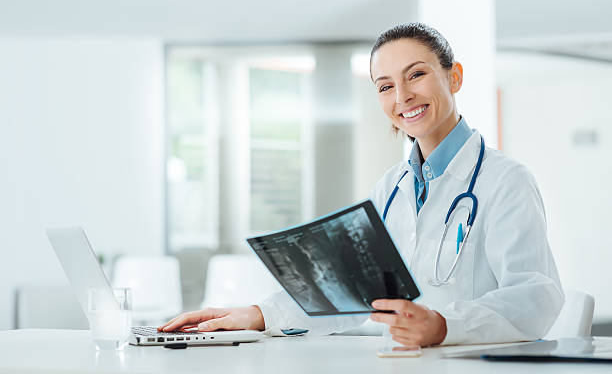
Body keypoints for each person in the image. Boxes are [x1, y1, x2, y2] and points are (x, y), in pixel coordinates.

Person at [158, 23, 564, 346]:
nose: (402, 96)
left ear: (454, 77)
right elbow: (351, 290)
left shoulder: (505, 181)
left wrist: (443, 326)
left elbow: (536, 297)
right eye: (385, 86)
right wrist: (256, 316)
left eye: (416, 75)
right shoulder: (392, 187)